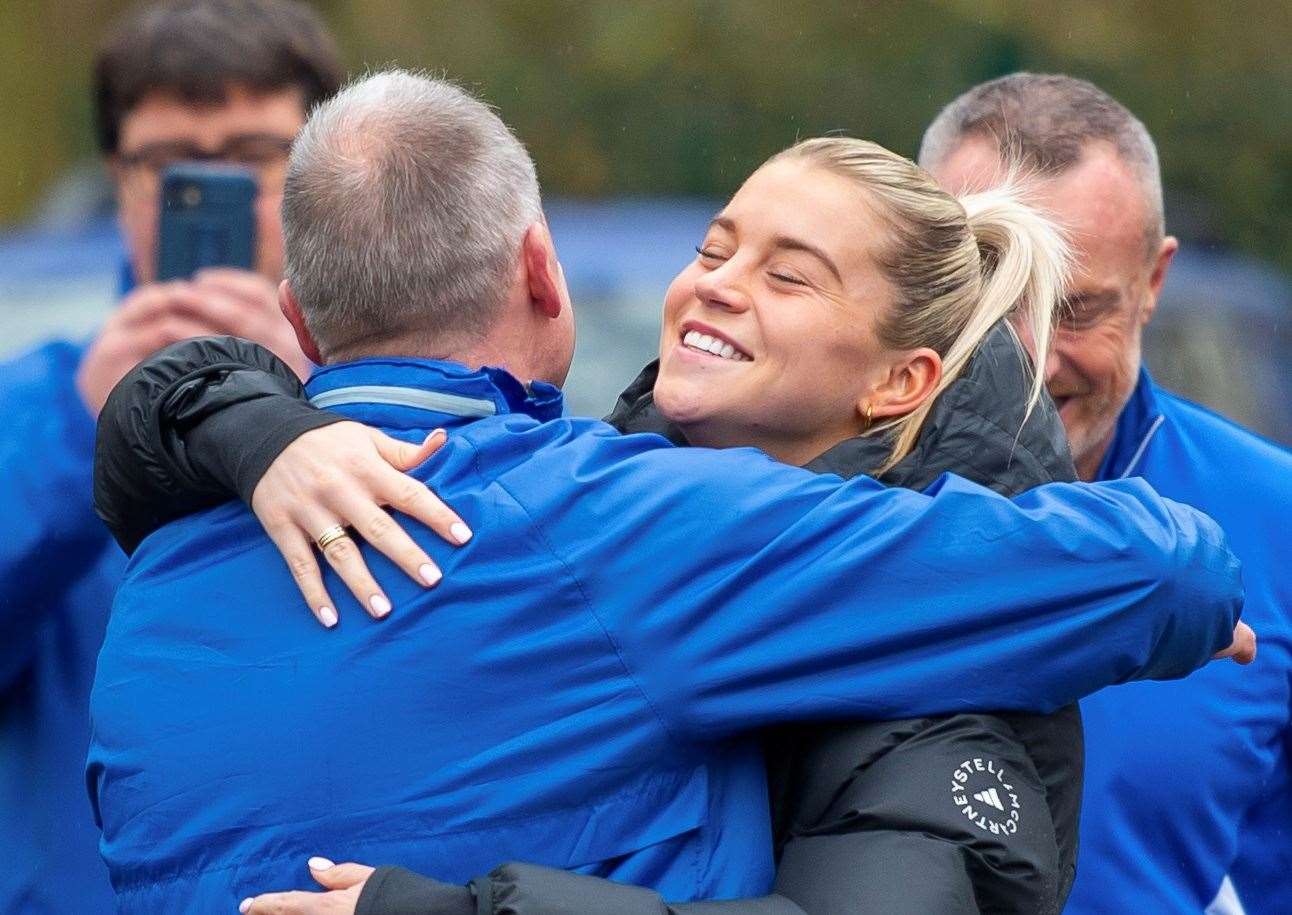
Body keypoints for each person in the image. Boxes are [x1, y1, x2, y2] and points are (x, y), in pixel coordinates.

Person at [89, 72, 1248, 914]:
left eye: (787, 274)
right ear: (542, 270)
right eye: (713, 245)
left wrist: (230, 417)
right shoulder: (621, 524)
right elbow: (1162, 567)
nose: (715, 287)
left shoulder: (154, 592)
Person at [917, 72, 1292, 915]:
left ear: (1155, 282)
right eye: (993, 299)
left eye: (1078, 311)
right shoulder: (809, 499)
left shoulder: (1278, 525)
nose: (1035, 361)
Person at [0, 2, 341, 911]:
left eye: (253, 155)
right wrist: (85, 430)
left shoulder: (377, 393)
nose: (212, 184)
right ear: (119, 183)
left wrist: (309, 395)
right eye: (170, 162)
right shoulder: (34, 403)